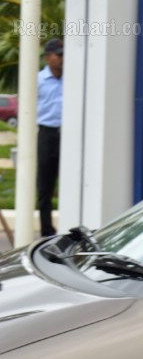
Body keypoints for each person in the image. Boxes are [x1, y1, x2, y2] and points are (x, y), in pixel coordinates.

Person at [37, 38, 63, 237]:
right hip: (46, 134)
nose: (63, 59)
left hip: (68, 135)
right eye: (59, 55)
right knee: (45, 184)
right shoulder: (37, 80)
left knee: (70, 181)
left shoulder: (72, 79)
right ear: (47, 58)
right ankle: (47, 230)